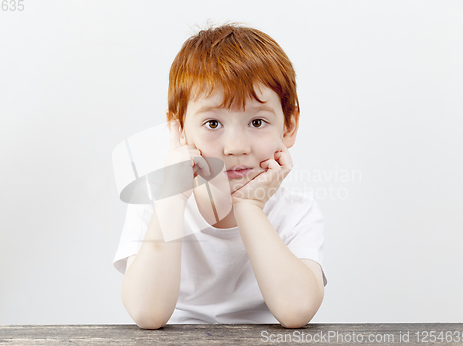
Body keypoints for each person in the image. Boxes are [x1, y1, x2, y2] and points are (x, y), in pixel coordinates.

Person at [113, 23, 327, 329]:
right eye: (213, 123)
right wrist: (172, 197)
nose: (236, 147)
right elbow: (147, 314)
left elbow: (296, 312)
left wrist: (249, 208)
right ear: (179, 128)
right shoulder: (158, 203)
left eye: (256, 122)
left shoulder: (296, 210)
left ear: (289, 124)